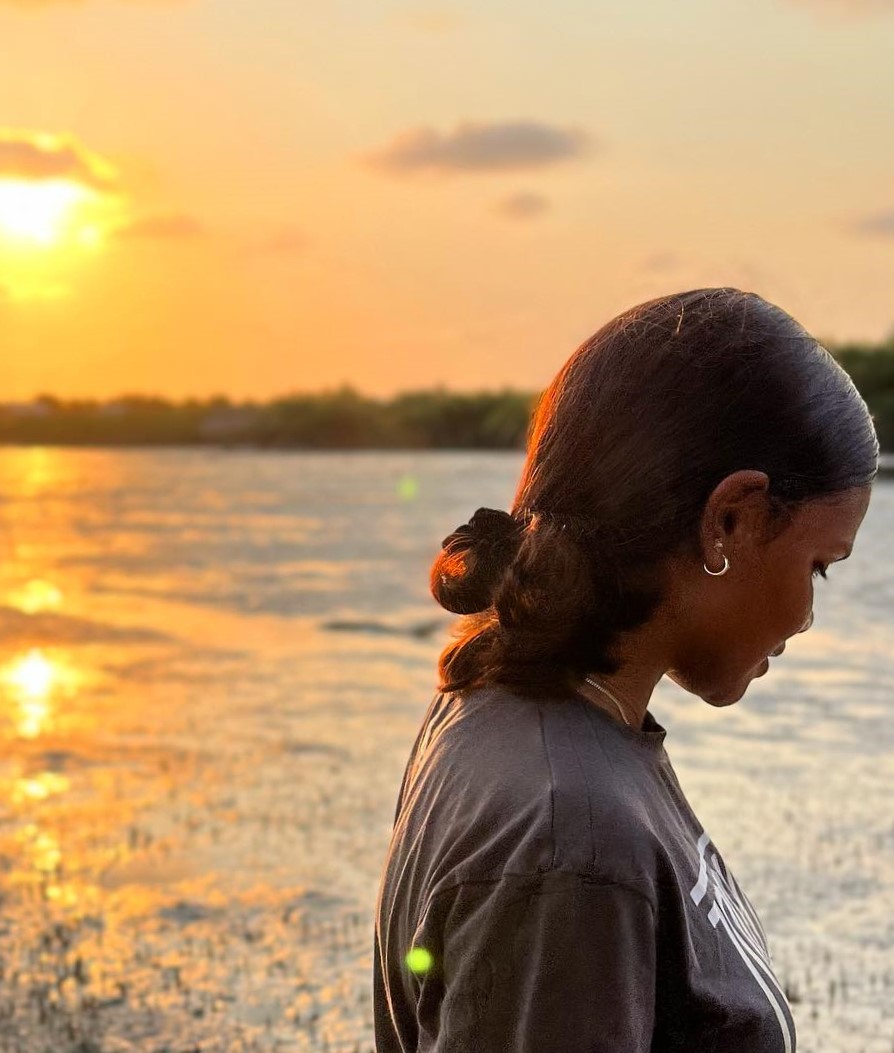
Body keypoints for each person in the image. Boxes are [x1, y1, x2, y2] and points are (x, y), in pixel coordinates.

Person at [373, 287, 876, 1053]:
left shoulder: (510, 710)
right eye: (820, 566)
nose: (807, 614)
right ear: (731, 518)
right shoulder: (569, 837)